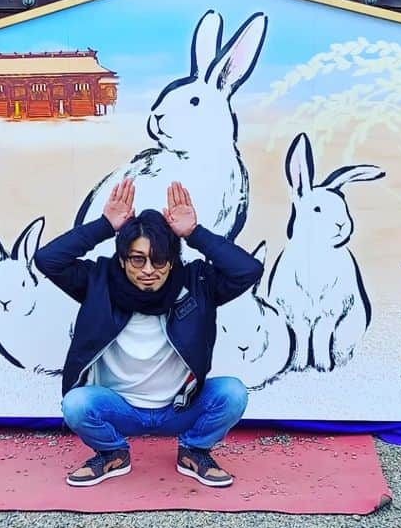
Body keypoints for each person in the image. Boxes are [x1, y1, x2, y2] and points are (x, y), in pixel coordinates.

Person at [34, 178, 263, 488]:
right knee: (76, 404)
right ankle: (111, 453)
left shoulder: (197, 284)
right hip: (119, 407)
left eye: (159, 260)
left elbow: (247, 270)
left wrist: (194, 234)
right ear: (123, 258)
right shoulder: (98, 281)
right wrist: (105, 225)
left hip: (179, 407)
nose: (147, 270)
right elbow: (48, 259)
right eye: (137, 259)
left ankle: (194, 450)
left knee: (233, 393)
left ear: (172, 261)